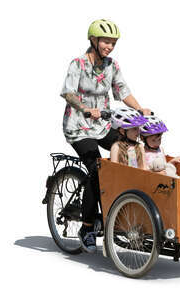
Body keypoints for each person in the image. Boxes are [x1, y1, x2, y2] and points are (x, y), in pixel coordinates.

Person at [60, 19, 151, 253]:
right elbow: (68, 92)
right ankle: (87, 227)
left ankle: (122, 212)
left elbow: (122, 90)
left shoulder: (112, 65)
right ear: (93, 40)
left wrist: (140, 108)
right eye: (105, 42)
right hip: (79, 127)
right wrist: (85, 109)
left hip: (102, 125)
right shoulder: (78, 64)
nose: (109, 47)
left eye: (112, 43)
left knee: (131, 150)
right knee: (96, 171)